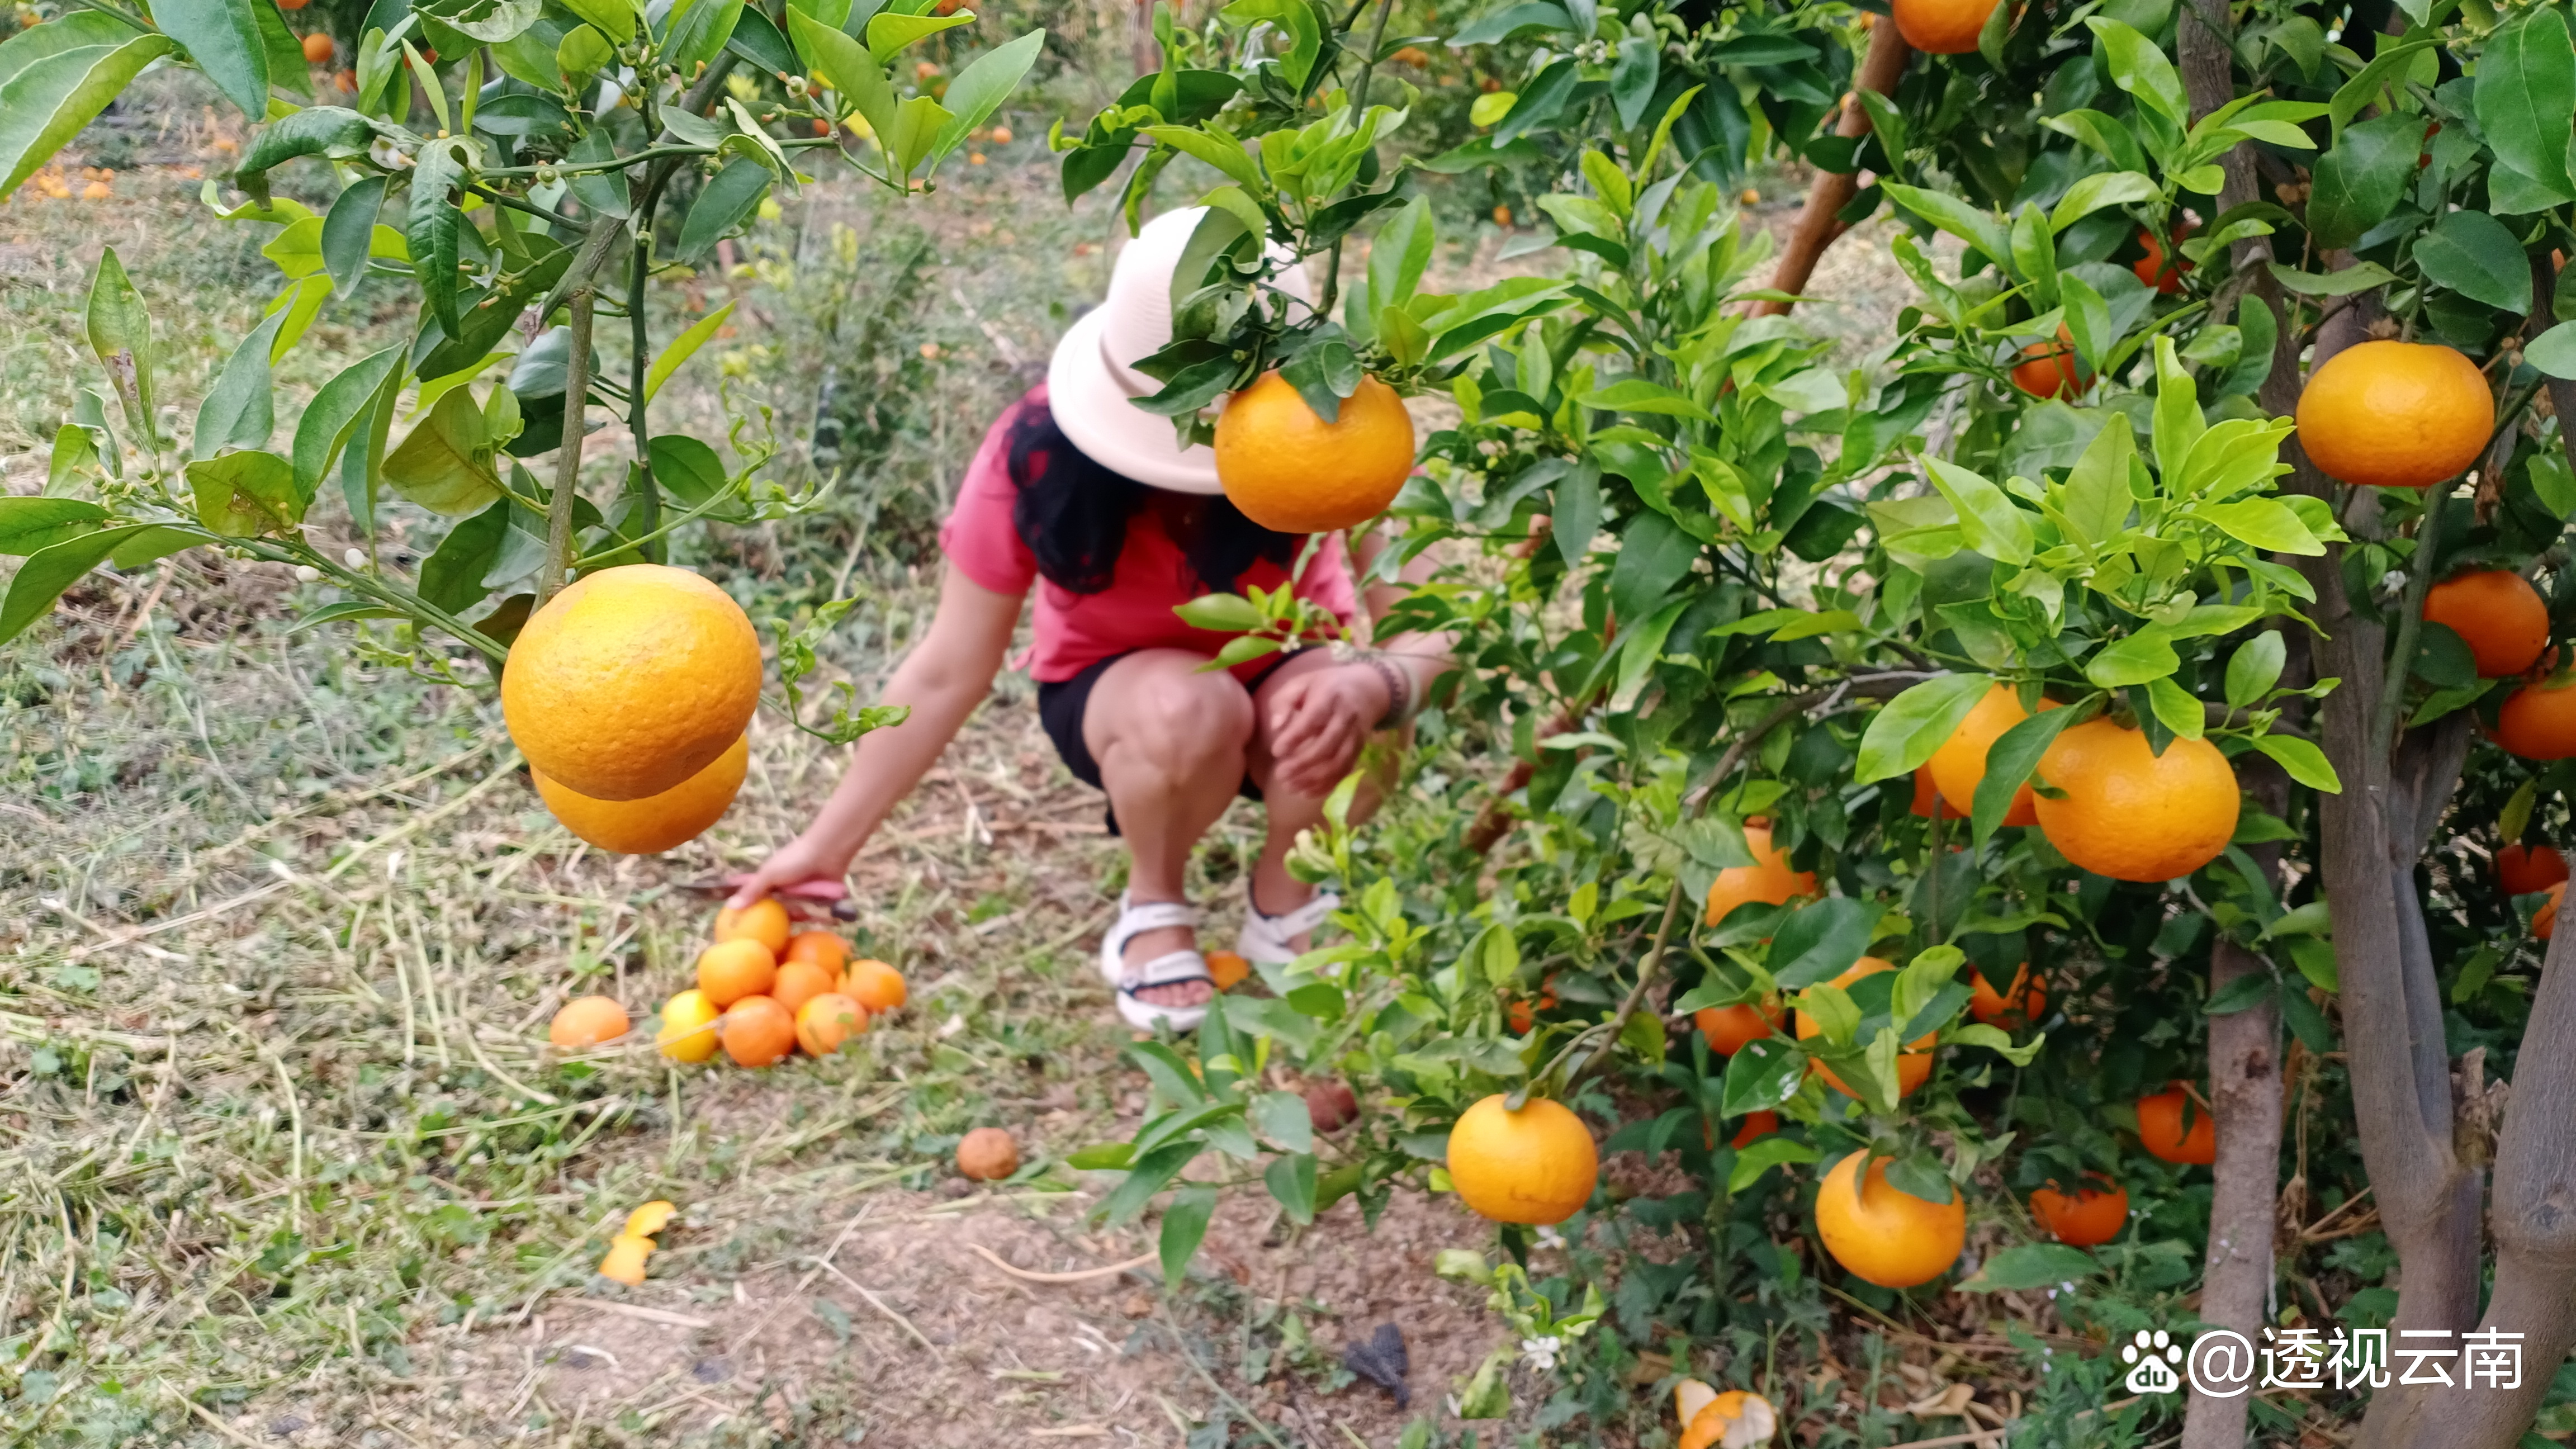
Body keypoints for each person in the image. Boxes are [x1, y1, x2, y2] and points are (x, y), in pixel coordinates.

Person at [725, 209, 1448, 1031]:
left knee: (1370, 698)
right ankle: (1154, 900)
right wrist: (827, 848)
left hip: (1295, 681)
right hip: (1124, 704)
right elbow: (947, 667)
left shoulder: (1342, 434)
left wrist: (1379, 683)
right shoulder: (1033, 455)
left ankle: (1289, 891)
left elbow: (1436, 626)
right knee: (1187, 704)